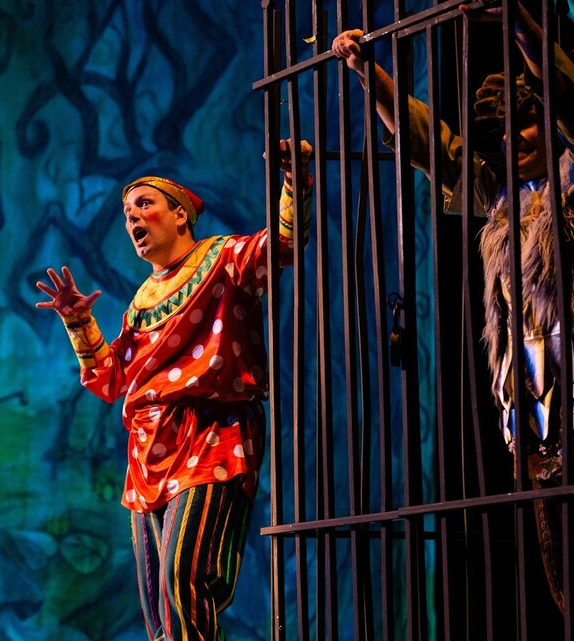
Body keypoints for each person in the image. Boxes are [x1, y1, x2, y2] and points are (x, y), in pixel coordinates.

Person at [332, 2, 573, 613]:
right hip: (537, 426)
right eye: (503, 129)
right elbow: (431, 148)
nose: (514, 138)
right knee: (563, 582)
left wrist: (519, 23)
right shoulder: (502, 198)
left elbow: (565, 92)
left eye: (527, 121)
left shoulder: (571, 179)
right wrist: (369, 75)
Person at [35, 142, 313, 640]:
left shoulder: (223, 258)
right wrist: (78, 321)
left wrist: (293, 181)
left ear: (180, 214)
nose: (132, 218)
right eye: (126, 213)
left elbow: (283, 245)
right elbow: (110, 379)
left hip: (212, 434)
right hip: (147, 452)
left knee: (182, 580)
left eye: (144, 205)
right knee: (159, 608)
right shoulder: (142, 301)